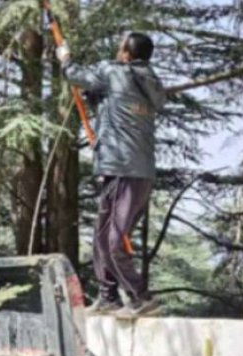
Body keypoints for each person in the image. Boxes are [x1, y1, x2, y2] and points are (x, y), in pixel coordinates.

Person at [57, 32, 166, 317]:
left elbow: (77, 75)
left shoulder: (114, 72)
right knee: (102, 235)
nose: (117, 51)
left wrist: (65, 58)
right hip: (138, 172)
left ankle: (141, 297)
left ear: (128, 55)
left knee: (112, 239)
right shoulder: (149, 81)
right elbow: (115, 106)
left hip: (121, 167)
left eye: (120, 48)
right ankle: (108, 297)